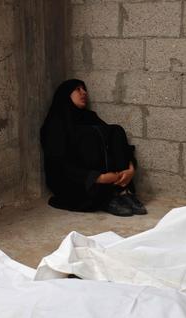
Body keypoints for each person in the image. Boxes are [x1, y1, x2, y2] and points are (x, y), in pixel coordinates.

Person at [40, 79, 147, 216]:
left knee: (115, 130)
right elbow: (58, 163)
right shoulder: (55, 123)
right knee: (87, 135)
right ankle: (106, 198)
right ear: (66, 94)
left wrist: (130, 168)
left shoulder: (89, 117)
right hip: (76, 182)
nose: (84, 92)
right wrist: (97, 178)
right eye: (78, 89)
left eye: (84, 89)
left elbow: (113, 140)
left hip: (107, 178)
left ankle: (122, 192)